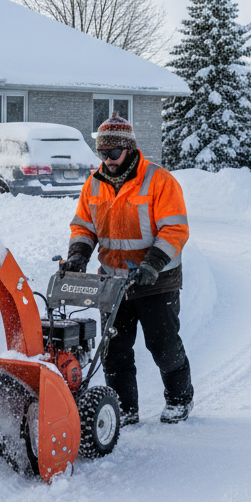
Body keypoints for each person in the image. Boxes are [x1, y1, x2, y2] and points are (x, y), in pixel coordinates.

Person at [61, 113, 193, 425]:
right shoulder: (94, 184)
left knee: (163, 346)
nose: (107, 160)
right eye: (101, 153)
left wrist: (152, 264)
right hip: (113, 281)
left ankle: (179, 399)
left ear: (129, 149)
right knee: (114, 351)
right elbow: (83, 227)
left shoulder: (159, 181)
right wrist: (78, 255)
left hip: (155, 280)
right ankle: (124, 409)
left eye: (113, 153)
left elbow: (174, 230)